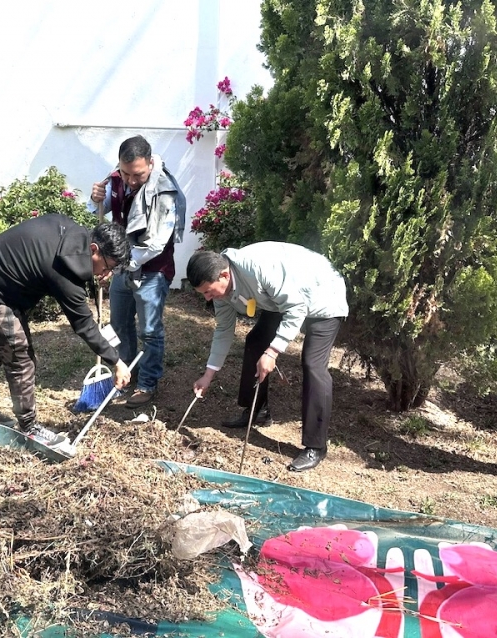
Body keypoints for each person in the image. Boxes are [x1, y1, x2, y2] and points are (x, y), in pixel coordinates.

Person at [0, 213, 133, 446]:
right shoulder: (66, 272)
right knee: (20, 356)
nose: (106, 274)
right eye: (107, 266)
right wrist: (116, 361)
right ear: (93, 249)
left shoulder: (72, 232)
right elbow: (84, 325)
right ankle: (30, 428)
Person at [187, 244, 348, 472]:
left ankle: (316, 446)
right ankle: (257, 411)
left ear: (224, 274)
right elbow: (224, 329)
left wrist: (272, 352)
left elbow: (297, 307)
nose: (208, 297)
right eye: (203, 293)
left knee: (313, 364)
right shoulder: (220, 286)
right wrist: (208, 374)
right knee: (255, 341)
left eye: (209, 291)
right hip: (284, 299)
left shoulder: (257, 269)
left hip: (323, 295)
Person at [87, 135, 186, 409]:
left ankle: (148, 383)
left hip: (153, 271)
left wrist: (118, 263)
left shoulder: (165, 192)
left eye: (138, 174)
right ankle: (126, 374)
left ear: (151, 163)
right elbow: (100, 207)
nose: (131, 180)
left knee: (151, 331)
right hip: (122, 268)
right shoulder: (117, 178)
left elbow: (155, 244)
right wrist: (97, 197)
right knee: (119, 325)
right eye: (126, 172)